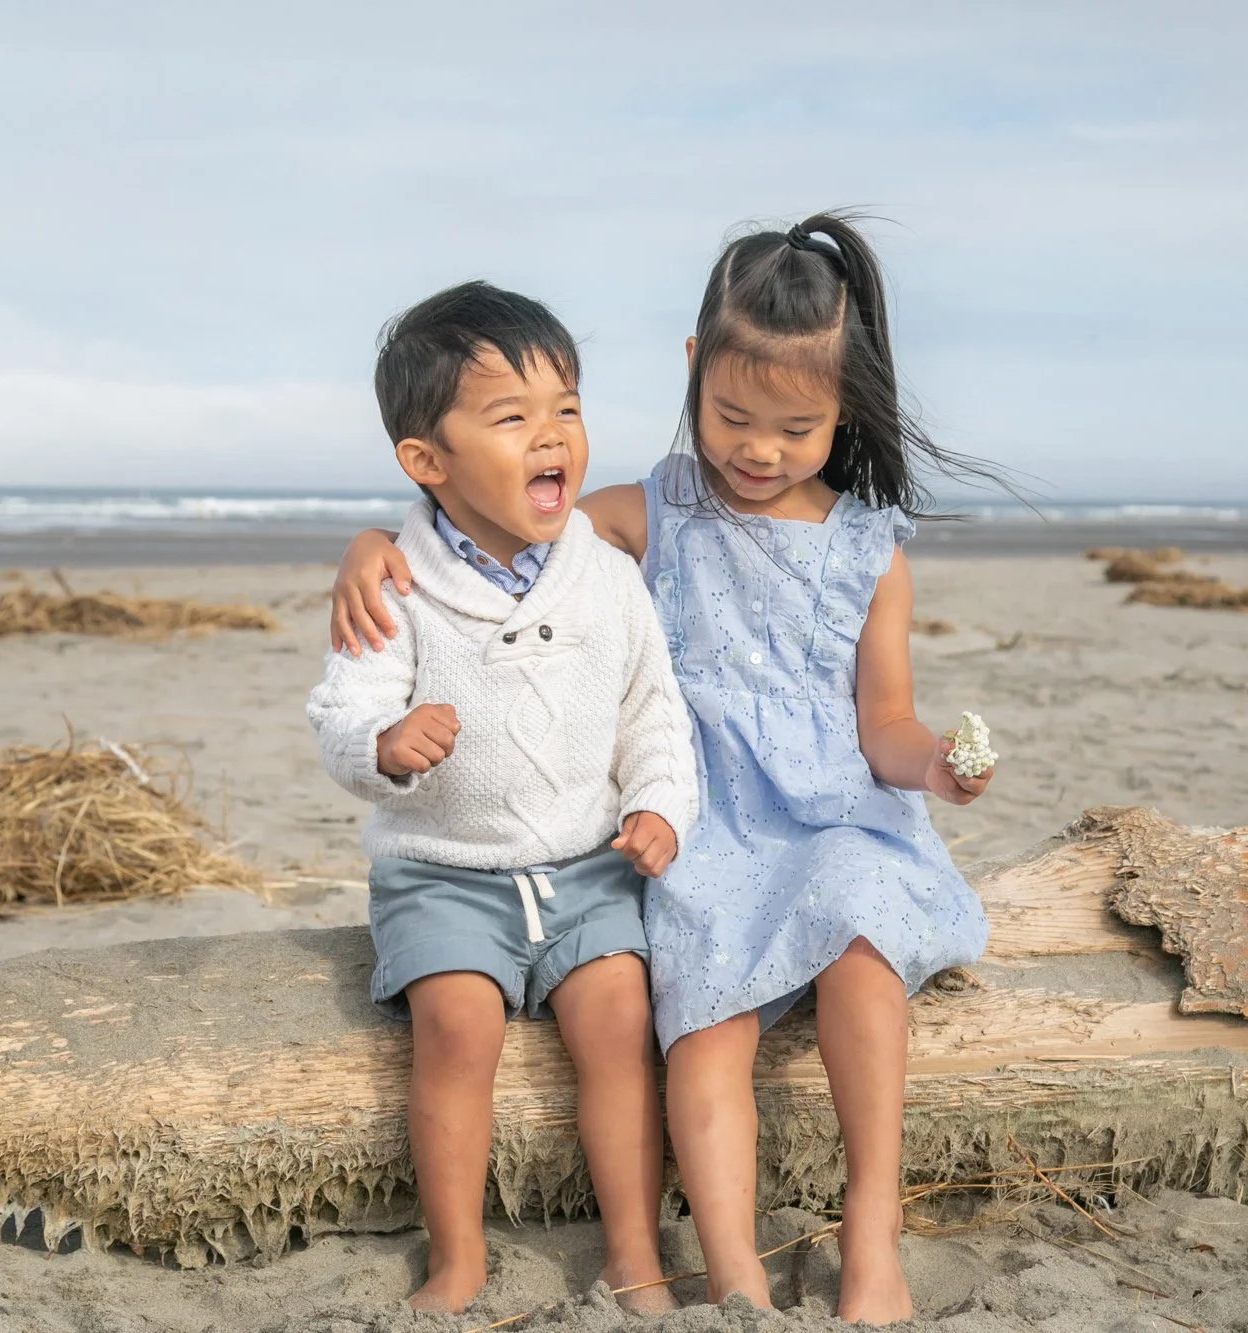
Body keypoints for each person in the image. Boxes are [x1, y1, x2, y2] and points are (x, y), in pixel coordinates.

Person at [328, 216, 1000, 1325]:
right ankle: (732, 1272)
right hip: (697, 823)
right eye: (733, 417)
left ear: (847, 408)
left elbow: (883, 722)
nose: (759, 450)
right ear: (693, 371)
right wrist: (374, 547)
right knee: (702, 1021)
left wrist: (933, 766)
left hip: (833, 814)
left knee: (864, 938)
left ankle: (870, 1232)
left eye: (798, 427)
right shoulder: (654, 515)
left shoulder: (864, 552)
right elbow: (494, 535)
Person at [306, 281, 697, 1315]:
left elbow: (651, 709)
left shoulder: (604, 576)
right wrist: (384, 747)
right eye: (511, 416)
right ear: (426, 462)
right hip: (444, 873)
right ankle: (458, 1257)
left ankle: (632, 1252)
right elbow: (338, 714)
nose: (550, 436)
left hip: (585, 864)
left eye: (564, 407)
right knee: (457, 1025)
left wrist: (657, 805)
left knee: (618, 1018)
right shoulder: (395, 583)